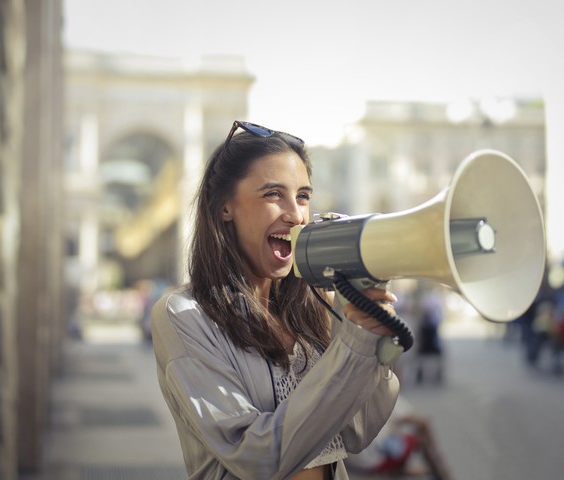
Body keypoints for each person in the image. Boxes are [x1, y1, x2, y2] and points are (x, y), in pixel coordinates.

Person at [151, 120, 401, 480]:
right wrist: (351, 346)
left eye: (302, 196)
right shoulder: (184, 315)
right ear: (225, 207)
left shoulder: (317, 305)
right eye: (273, 194)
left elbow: (355, 431)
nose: (296, 214)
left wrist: (369, 339)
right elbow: (255, 457)